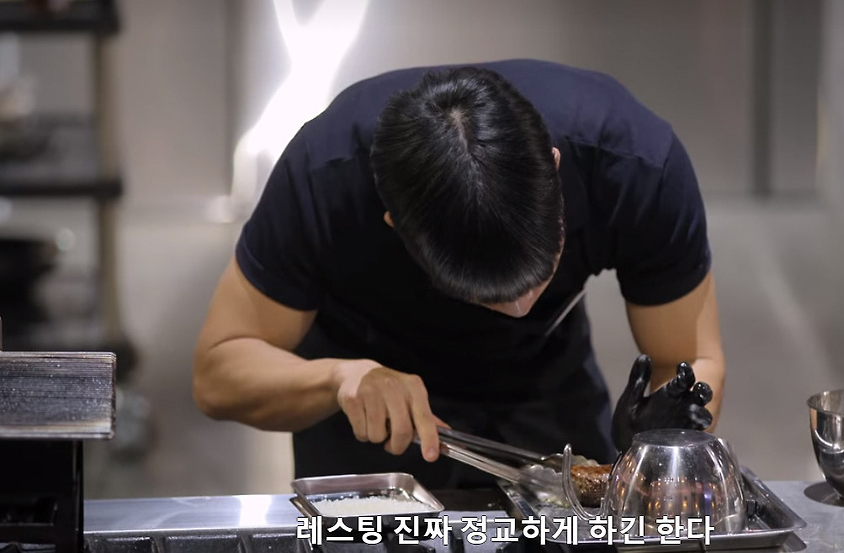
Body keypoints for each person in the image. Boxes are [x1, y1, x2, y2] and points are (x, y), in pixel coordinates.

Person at [193, 59, 726, 489]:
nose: (518, 307)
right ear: (395, 227)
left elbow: (687, 360)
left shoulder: (632, 163)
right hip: (373, 413)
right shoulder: (325, 175)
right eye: (486, 296)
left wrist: (664, 440)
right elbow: (218, 372)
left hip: (547, 392)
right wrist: (338, 379)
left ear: (555, 167)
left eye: (537, 277)